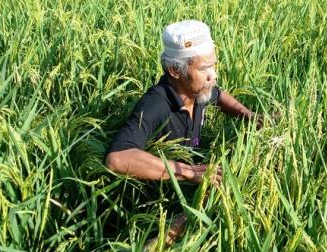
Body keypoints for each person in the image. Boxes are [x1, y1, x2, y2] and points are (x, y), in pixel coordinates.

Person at [105, 20, 259, 186]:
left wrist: (251, 117)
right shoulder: (156, 104)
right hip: (164, 195)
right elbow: (117, 159)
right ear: (175, 71)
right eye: (203, 69)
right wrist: (187, 172)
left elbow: (219, 96)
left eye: (213, 65)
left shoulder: (199, 91)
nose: (213, 75)